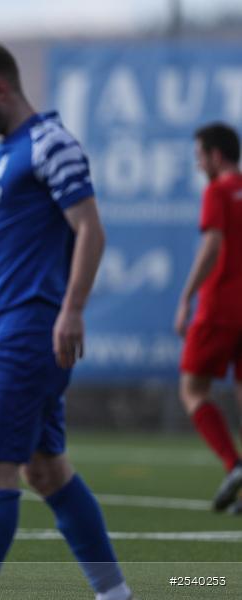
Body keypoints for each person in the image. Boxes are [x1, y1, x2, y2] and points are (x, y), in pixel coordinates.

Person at [0, 42, 131, 600]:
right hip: (6, 329)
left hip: (27, 332)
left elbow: (90, 229)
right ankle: (115, 593)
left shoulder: (51, 144)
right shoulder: (4, 153)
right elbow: (9, 238)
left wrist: (72, 310)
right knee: (46, 471)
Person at [174, 123, 242, 513]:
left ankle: (234, 465)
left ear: (216, 156)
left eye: (200, 157)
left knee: (193, 390)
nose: (199, 164)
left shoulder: (217, 191)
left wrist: (186, 297)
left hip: (220, 307)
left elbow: (213, 243)